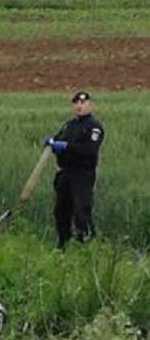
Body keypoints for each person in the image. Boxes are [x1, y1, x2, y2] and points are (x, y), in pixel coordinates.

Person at [43, 91, 105, 248]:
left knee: (81, 210)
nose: (79, 106)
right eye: (76, 103)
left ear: (90, 105)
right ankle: (63, 244)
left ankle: (87, 242)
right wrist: (51, 142)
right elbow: (57, 140)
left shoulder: (94, 127)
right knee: (60, 211)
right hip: (65, 172)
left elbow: (89, 150)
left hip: (82, 174)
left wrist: (67, 147)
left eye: (83, 103)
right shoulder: (69, 125)